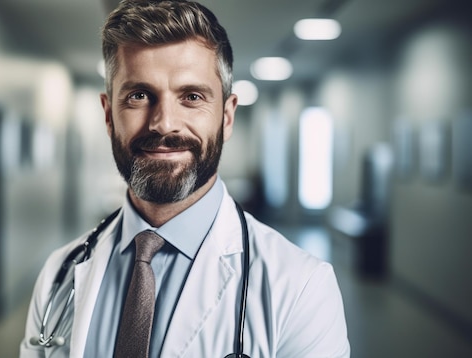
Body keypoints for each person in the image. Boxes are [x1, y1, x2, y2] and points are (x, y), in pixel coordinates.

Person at [20, 0, 350, 357]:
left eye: (192, 97)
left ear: (226, 117)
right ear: (108, 114)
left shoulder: (301, 289)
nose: (163, 123)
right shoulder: (59, 275)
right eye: (139, 95)